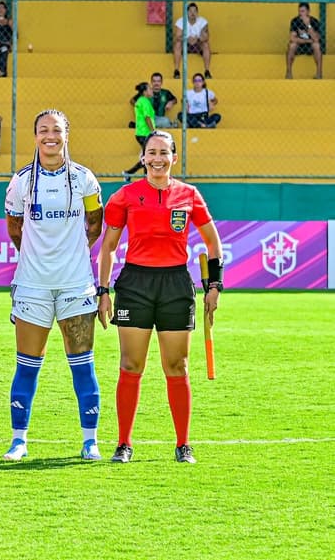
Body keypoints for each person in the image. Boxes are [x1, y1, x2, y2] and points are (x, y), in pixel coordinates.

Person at [97, 130, 224, 464]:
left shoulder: (189, 195)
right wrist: (103, 291)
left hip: (175, 285)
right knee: (131, 364)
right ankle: (124, 444)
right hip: (135, 283)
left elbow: (213, 242)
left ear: (174, 157)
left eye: (163, 153)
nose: (157, 159)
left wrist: (214, 286)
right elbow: (108, 247)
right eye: (151, 152)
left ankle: (183, 445)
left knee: (177, 365)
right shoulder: (124, 196)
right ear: (143, 158)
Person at [1, 109, 105, 462]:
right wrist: (38, 260)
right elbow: (14, 228)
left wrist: (71, 258)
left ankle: (90, 440)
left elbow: (95, 224)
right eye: (43, 130)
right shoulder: (20, 182)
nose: (50, 136)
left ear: (66, 135)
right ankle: (19, 440)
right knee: (27, 365)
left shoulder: (85, 179)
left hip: (76, 285)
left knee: (83, 365)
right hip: (33, 286)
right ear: (34, 136)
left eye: (56, 130)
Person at [123, 82, 155, 181]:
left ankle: (135, 174)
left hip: (140, 133)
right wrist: (152, 131)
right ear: (145, 92)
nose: (151, 90)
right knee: (148, 156)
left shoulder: (140, 101)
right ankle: (130, 173)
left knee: (147, 156)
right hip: (145, 133)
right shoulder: (145, 101)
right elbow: (147, 117)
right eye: (149, 88)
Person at [173, 2, 211, 79]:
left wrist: (198, 39)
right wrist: (186, 39)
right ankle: (176, 70)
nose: (192, 13)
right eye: (190, 11)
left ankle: (207, 71)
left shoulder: (203, 21)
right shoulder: (181, 21)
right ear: (187, 12)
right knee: (177, 44)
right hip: (185, 44)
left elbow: (206, 37)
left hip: (198, 44)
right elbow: (177, 37)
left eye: (194, 11)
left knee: (206, 44)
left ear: (197, 12)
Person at [286, 2, 323, 79]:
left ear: (308, 12)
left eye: (303, 11)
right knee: (292, 45)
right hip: (299, 46)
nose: (300, 13)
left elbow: (316, 39)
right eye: (299, 11)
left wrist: (308, 25)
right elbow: (292, 38)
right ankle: (289, 73)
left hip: (311, 47)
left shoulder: (314, 21)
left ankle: (319, 73)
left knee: (316, 45)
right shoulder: (295, 21)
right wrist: (308, 41)